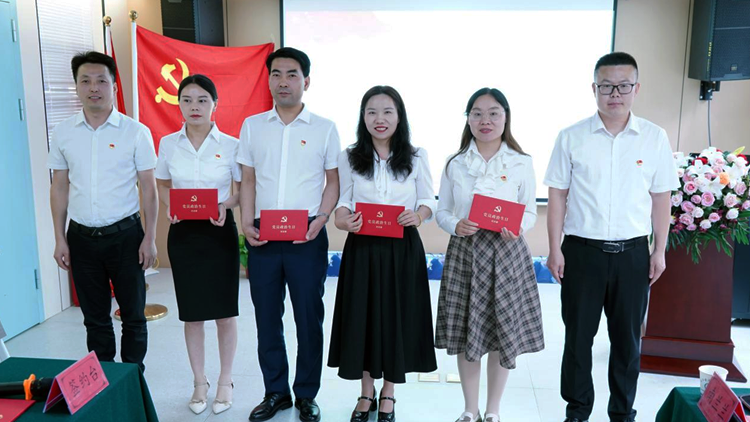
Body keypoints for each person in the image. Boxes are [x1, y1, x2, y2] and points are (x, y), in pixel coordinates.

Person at [544, 52, 678, 422]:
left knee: (627, 342)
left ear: (636, 88)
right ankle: (577, 411)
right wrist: (554, 249)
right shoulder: (571, 137)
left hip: (633, 254)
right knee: (578, 339)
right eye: (606, 86)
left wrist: (659, 250)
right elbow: (557, 195)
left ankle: (621, 413)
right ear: (594, 89)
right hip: (581, 252)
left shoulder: (654, 137)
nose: (614, 93)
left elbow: (661, 197)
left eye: (623, 86)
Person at [238, 47, 340, 422]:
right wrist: (245, 222)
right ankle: (276, 392)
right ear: (268, 80)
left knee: (309, 319)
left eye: (292, 74)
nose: (283, 81)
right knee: (267, 318)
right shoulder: (253, 126)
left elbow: (333, 181)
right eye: (276, 74)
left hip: (307, 236)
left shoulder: (324, 128)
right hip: (263, 235)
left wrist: (322, 218)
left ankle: (307, 394)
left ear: (306, 81)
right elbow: (248, 179)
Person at [327, 85, 438, 422]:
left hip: (402, 248)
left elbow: (428, 200)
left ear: (399, 116)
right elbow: (344, 200)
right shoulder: (350, 156)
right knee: (362, 316)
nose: (380, 118)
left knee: (396, 318)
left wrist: (418, 215)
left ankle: (389, 392)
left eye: (388, 111)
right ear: (363, 117)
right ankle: (366, 391)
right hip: (362, 246)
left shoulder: (416, 156)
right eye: (372, 111)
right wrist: (342, 219)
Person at [435, 87, 544, 422]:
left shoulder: (521, 161)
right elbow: (442, 211)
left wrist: (518, 227)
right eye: (477, 113)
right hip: (465, 252)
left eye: (494, 113)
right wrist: (455, 225)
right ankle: (470, 409)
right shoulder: (455, 163)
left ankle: (493, 410)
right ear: (468, 119)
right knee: (467, 332)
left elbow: (529, 211)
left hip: (507, 252)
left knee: (501, 332)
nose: (486, 120)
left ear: (505, 118)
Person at [48, 51, 158, 372]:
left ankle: (133, 379)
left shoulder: (135, 131)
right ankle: (104, 381)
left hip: (126, 237)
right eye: (85, 81)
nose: (93, 87)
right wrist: (59, 238)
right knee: (94, 319)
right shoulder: (64, 132)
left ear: (114, 86)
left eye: (101, 81)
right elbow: (59, 187)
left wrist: (149, 238)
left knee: (133, 316)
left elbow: (149, 189)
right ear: (76, 86)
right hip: (81, 238)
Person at [154, 74, 241, 415]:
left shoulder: (231, 144)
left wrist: (225, 205)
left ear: (214, 105)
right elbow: (162, 184)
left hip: (219, 232)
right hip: (183, 234)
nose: (195, 106)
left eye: (202, 100)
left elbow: (241, 190)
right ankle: (199, 382)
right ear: (179, 104)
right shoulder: (168, 144)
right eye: (187, 99)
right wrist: (169, 205)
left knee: (224, 313)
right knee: (192, 315)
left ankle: (225, 381)